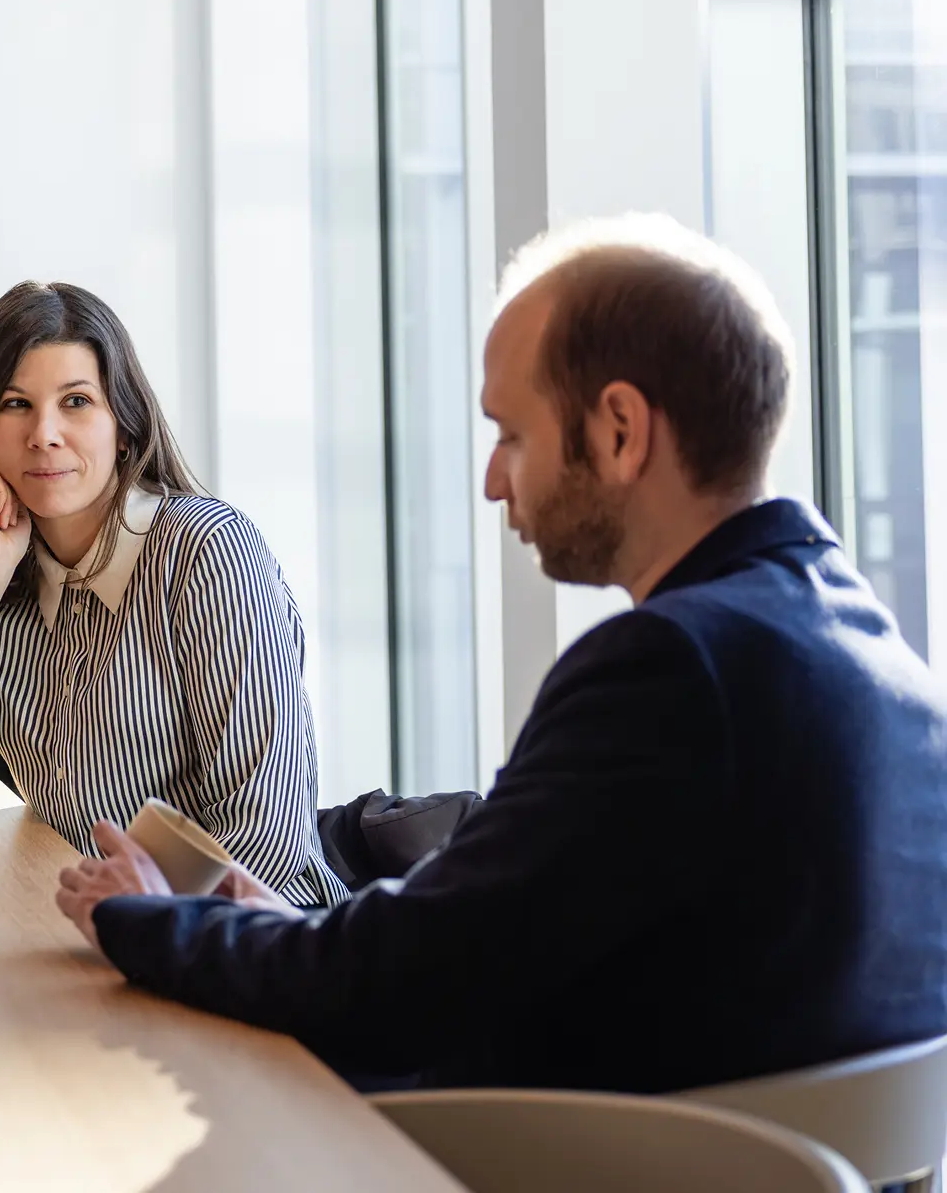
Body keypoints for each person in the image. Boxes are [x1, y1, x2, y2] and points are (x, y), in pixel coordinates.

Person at [56, 215, 947, 1092]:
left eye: (510, 435)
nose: (491, 481)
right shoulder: (883, 664)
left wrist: (148, 920)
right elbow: (482, 944)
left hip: (544, 1152)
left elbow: (402, 986)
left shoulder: (672, 670)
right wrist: (284, 932)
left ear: (620, 430)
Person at [0, 281, 345, 907]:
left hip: (244, 941)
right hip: (92, 935)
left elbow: (262, 839)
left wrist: (130, 929)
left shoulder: (205, 551)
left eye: (77, 401)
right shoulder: (8, 587)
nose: (44, 433)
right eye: (15, 404)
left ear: (123, 427)